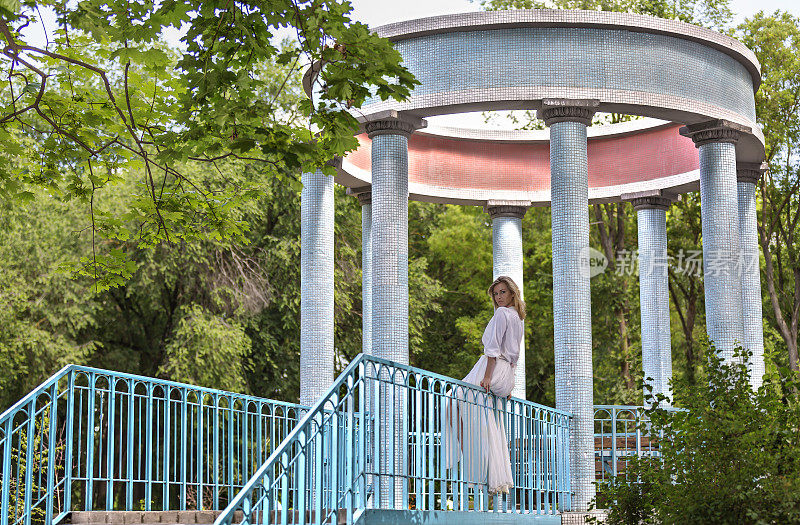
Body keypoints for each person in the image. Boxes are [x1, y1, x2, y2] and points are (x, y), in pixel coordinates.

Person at [444, 275, 526, 495]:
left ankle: (471, 456)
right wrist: (509, 385)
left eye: (503, 292)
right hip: (507, 373)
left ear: (512, 293)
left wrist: (488, 377)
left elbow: (492, 351)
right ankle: (486, 466)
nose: (499, 297)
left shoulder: (501, 314)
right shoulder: (518, 317)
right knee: (485, 417)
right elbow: (515, 355)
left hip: (494, 368)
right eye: (496, 293)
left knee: (452, 400)